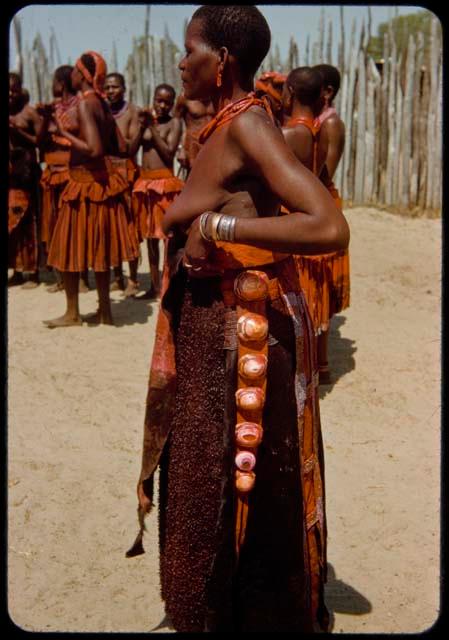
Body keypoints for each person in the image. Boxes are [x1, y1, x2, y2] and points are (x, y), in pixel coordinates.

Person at [131, 6, 349, 633]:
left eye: (188, 49)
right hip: (209, 337)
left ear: (221, 58)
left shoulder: (249, 123)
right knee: (203, 483)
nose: (180, 61)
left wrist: (219, 226)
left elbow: (328, 224)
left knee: (230, 488)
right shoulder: (226, 124)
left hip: (236, 337)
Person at [44, 51, 140, 327]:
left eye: (75, 69)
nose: (71, 75)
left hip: (84, 184)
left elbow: (96, 149)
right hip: (100, 186)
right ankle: (105, 312)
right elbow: (120, 146)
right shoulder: (101, 104)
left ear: (83, 75)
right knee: (99, 249)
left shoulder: (86, 104)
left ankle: (73, 313)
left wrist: (64, 135)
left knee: (69, 247)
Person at [281, 66, 338, 380]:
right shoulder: (322, 132)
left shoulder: (288, 135)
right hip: (313, 220)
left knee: (292, 302)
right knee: (313, 300)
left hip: (292, 224)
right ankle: (316, 366)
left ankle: (299, 369)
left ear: (289, 92)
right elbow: (323, 179)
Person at [37, 65, 90, 294]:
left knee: (76, 227)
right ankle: (62, 279)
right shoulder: (52, 109)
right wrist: (45, 119)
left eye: (54, 81)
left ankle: (83, 279)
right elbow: (39, 141)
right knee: (55, 227)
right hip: (52, 173)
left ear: (61, 83)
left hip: (72, 174)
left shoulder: (81, 106)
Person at [313, 63, 349, 383]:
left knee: (318, 281)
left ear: (326, 92)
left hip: (321, 202)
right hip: (311, 199)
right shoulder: (312, 120)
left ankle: (321, 363)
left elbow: (325, 174)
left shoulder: (332, 124)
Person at [131, 84, 183, 298]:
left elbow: (169, 153)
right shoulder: (145, 123)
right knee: (150, 239)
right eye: (158, 101)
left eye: (166, 102)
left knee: (168, 237)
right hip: (145, 184)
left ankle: (170, 285)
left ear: (172, 104)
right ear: (153, 99)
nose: (161, 106)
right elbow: (131, 150)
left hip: (165, 184)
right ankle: (154, 286)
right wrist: (141, 127)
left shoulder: (174, 123)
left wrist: (152, 128)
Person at [104, 72, 141, 297]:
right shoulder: (102, 112)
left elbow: (127, 147)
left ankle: (134, 279)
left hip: (126, 173)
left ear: (124, 89)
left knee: (129, 226)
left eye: (115, 87)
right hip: (107, 174)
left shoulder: (132, 112)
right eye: (107, 87)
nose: (110, 91)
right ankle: (117, 276)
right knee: (111, 226)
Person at [8, 72, 43, 288]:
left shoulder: (29, 113)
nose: (10, 94)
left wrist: (18, 130)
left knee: (29, 222)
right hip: (10, 173)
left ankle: (33, 272)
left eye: (14, 90)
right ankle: (17, 271)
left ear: (21, 89)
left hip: (27, 171)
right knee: (12, 224)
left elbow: (40, 141)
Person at [174, 94, 215, 176]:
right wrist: (180, 148)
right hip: (193, 146)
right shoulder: (185, 97)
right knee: (193, 178)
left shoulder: (217, 94)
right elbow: (176, 122)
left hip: (214, 144)